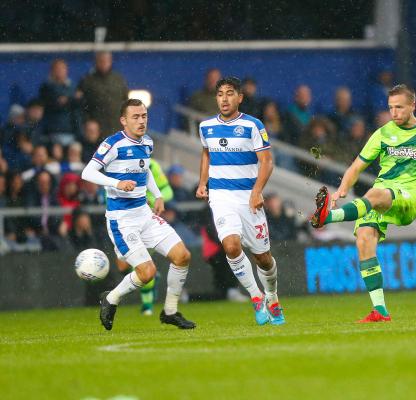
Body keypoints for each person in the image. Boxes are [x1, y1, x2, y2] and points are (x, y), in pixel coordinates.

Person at [310, 84, 416, 323]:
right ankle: (380, 311)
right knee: (363, 240)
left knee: (376, 193)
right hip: (381, 196)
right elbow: (357, 165)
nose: (394, 113)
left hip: (410, 198)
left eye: (399, 107)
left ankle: (328, 218)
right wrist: (342, 188)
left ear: (413, 105)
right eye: (390, 108)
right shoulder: (383, 133)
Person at [81, 98, 195, 330]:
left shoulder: (147, 143)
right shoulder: (112, 144)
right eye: (135, 117)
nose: (141, 121)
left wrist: (158, 195)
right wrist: (116, 182)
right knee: (147, 272)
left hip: (144, 213)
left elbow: (146, 169)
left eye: (144, 116)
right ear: (123, 121)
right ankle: (111, 298)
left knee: (182, 256)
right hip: (122, 221)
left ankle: (170, 312)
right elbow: (87, 172)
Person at [196, 76, 285, 325]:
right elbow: (206, 153)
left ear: (240, 97)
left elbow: (267, 162)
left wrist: (257, 192)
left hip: (248, 199)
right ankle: (256, 298)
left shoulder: (253, 126)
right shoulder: (205, 127)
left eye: (230, 93)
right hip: (221, 197)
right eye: (220, 94)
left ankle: (272, 296)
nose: (224, 98)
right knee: (232, 246)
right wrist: (203, 182)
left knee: (263, 258)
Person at [113, 158, 174, 315]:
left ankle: (147, 306)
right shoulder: (119, 163)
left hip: (145, 220)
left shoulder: (152, 165)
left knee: (141, 264)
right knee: (122, 265)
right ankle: (153, 279)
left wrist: (152, 200)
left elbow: (167, 191)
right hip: (124, 219)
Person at [77, 51, 129, 137]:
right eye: (101, 61)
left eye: (106, 60)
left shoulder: (118, 79)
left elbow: (126, 100)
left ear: (110, 61)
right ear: (96, 62)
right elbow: (81, 104)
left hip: (116, 125)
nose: (104, 63)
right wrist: (87, 121)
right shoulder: (88, 80)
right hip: (96, 128)